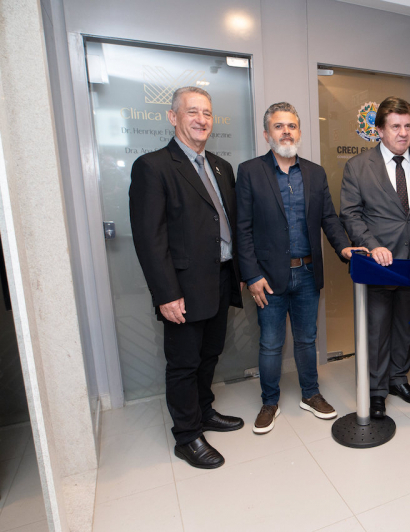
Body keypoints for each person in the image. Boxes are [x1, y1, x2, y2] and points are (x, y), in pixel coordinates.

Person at [129, 87, 244, 470]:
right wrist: (166, 294)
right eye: (192, 112)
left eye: (207, 113)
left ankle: (203, 411)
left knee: (210, 354)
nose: (201, 119)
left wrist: (238, 273)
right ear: (173, 117)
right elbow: (150, 239)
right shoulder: (153, 167)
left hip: (221, 278)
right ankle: (187, 435)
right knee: (183, 363)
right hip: (182, 288)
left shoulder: (220, 167)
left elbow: (226, 223)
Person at [237, 102, 366, 434]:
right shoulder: (250, 171)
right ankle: (270, 402)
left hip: (307, 273)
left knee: (307, 340)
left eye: (291, 126)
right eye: (279, 126)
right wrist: (251, 275)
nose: (286, 132)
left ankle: (311, 394)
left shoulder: (315, 173)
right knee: (270, 343)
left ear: (299, 132)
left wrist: (344, 246)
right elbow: (243, 228)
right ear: (267, 133)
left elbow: (329, 219)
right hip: (268, 278)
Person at [340, 96, 410, 419]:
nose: (403, 133)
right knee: (377, 328)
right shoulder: (358, 166)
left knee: (404, 325)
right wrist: (371, 245)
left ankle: (398, 379)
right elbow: (350, 214)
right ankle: (376, 390)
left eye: (408, 126)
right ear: (379, 130)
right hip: (379, 266)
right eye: (396, 126)